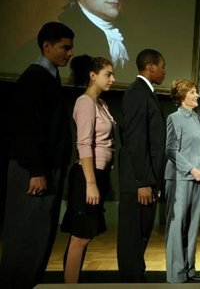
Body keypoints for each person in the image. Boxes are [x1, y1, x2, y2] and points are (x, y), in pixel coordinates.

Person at [0, 22, 75, 289]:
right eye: (64, 47)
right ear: (47, 46)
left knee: (39, 237)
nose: (70, 53)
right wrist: (36, 171)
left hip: (44, 170)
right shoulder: (34, 79)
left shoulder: (49, 78)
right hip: (33, 172)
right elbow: (27, 128)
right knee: (26, 238)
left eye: (70, 47)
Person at [60, 55, 116, 283]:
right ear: (92, 76)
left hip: (98, 174)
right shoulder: (85, 102)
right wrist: (91, 183)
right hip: (86, 177)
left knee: (85, 236)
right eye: (108, 74)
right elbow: (84, 143)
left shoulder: (101, 103)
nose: (113, 78)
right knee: (80, 236)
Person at [117, 48, 166, 282]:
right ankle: (131, 281)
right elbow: (135, 141)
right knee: (132, 237)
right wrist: (143, 181)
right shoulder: (137, 93)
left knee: (141, 235)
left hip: (147, 179)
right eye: (162, 66)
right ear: (150, 67)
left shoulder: (146, 93)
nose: (164, 71)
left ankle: (136, 277)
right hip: (139, 181)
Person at [164, 79, 200, 283]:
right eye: (193, 92)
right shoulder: (174, 118)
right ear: (182, 95)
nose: (197, 95)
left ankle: (189, 270)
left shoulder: (198, 120)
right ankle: (176, 274)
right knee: (177, 226)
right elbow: (171, 149)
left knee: (192, 226)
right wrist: (192, 170)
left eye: (196, 92)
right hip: (179, 178)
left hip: (199, 179)